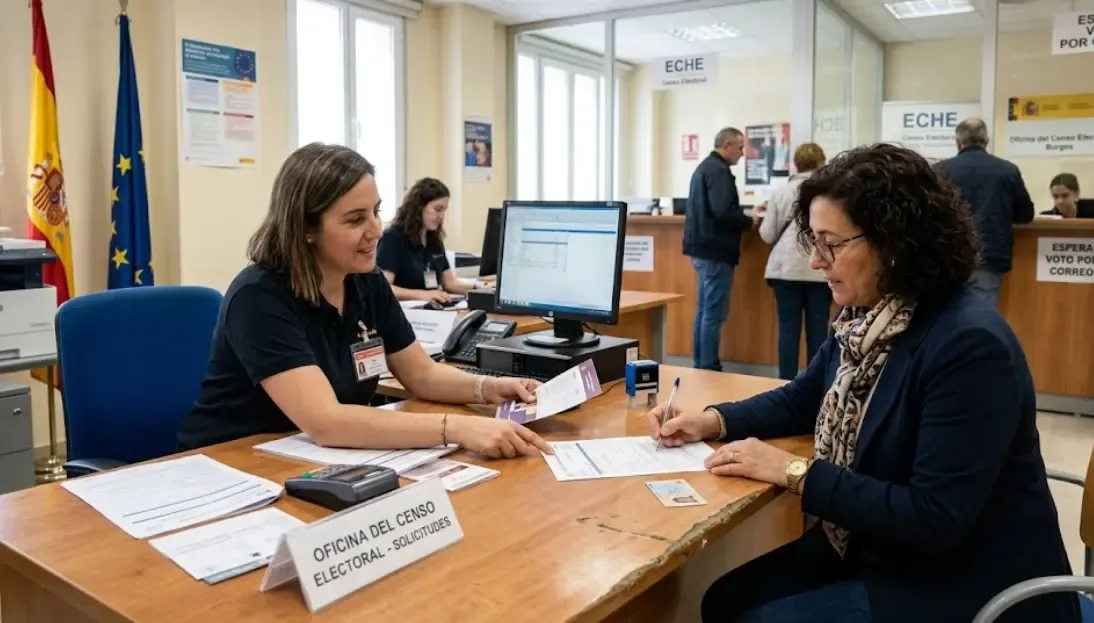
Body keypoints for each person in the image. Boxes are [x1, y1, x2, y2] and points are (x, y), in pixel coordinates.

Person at [648, 144, 1078, 623]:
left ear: (894, 243)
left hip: (962, 581)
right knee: (724, 600)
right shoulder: (867, 318)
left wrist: (795, 472)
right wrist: (712, 420)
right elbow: (804, 396)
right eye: (814, 241)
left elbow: (934, 518)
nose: (816, 261)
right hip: (878, 546)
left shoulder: (970, 346)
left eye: (831, 243)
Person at [178, 144, 552, 460]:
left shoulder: (366, 280)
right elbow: (327, 421)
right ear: (306, 228)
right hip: (235, 462)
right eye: (356, 219)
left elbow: (421, 374)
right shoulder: (258, 297)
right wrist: (456, 427)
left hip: (318, 458)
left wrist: (486, 388)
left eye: (376, 211)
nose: (376, 230)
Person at [936, 118, 1034, 308]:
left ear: (958, 142)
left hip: (949, 257)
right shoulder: (1007, 170)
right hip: (989, 257)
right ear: (986, 141)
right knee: (982, 316)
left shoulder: (940, 171)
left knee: (946, 315)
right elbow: (1026, 214)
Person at [683, 127, 755, 371]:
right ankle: (709, 367)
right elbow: (723, 211)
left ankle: (700, 363)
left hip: (702, 250)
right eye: (740, 147)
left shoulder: (705, 167)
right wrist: (749, 219)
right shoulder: (719, 170)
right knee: (712, 313)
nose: (742, 153)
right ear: (726, 145)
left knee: (704, 312)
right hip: (715, 250)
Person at [758, 143, 831, 380]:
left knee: (788, 331)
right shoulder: (829, 192)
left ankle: (785, 383)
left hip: (785, 271)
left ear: (796, 164)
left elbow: (768, 234)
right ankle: (815, 383)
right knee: (818, 331)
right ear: (821, 163)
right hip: (820, 271)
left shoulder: (780, 192)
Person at [377, 177, 473, 304]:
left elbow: (449, 283)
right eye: (437, 209)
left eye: (444, 211)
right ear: (419, 207)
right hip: (404, 312)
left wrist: (479, 289)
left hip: (431, 309)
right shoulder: (393, 237)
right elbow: (384, 287)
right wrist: (423, 295)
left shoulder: (434, 240)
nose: (441, 217)